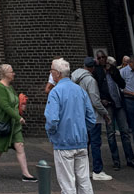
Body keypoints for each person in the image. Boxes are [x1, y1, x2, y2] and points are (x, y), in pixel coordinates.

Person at [45, 58, 96, 194]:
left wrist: (52, 135)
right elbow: (91, 118)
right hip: (81, 142)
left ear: (57, 73)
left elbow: (52, 120)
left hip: (63, 143)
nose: (50, 73)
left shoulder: (55, 92)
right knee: (84, 180)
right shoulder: (80, 90)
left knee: (68, 184)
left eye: (51, 70)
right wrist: (83, 131)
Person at [0, 64, 36, 182]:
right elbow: (5, 106)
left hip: (14, 124)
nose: (13, 74)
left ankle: (26, 173)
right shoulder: (0, 88)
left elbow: (14, 103)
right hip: (4, 123)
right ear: (5, 74)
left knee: (20, 145)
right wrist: (18, 117)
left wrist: (21, 105)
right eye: (11, 72)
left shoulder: (10, 87)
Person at [71, 57, 112, 181]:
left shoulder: (73, 79)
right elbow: (95, 100)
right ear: (92, 68)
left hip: (80, 116)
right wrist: (105, 113)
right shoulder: (90, 80)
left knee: (84, 145)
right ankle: (97, 170)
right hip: (92, 116)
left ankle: (84, 170)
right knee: (95, 143)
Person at [96, 52, 134, 170]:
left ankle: (130, 159)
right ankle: (116, 161)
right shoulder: (97, 71)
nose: (102, 59)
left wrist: (113, 72)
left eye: (103, 57)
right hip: (108, 105)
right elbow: (96, 88)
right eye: (99, 58)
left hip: (119, 104)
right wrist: (101, 99)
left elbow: (122, 83)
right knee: (110, 134)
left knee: (125, 131)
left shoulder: (114, 69)